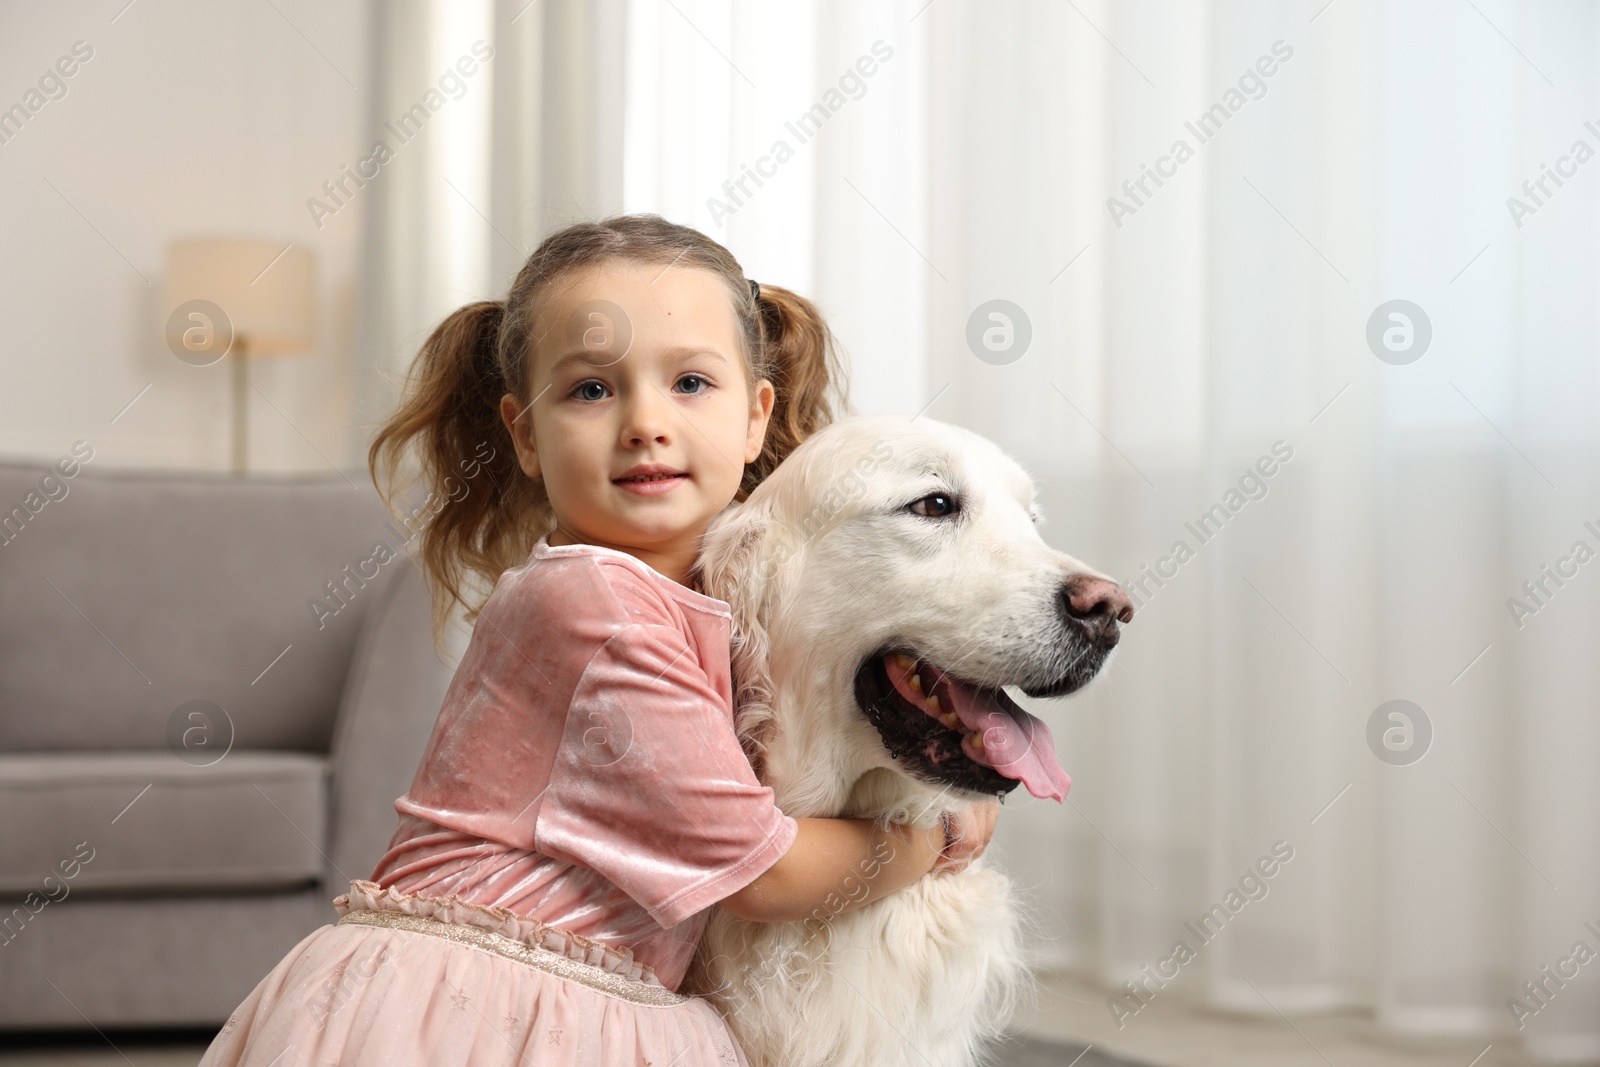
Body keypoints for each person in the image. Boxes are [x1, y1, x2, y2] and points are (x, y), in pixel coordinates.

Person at [197, 214, 999, 1066]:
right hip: (482, 1003)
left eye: (690, 382)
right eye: (590, 390)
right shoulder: (596, 606)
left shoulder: (698, 603)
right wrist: (934, 834)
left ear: (756, 414)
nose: (645, 422)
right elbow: (766, 875)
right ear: (525, 435)